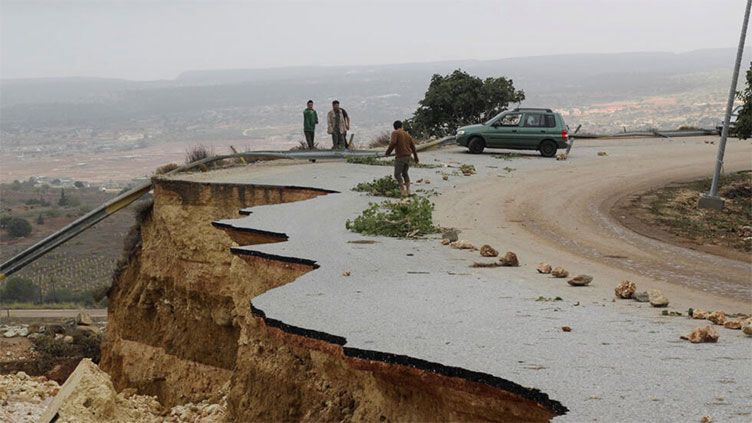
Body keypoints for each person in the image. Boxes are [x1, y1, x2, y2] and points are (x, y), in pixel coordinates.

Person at [384, 120, 419, 197]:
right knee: (405, 173)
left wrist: (388, 152)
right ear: (401, 126)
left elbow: (393, 142)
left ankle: (402, 191)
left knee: (397, 174)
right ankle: (408, 191)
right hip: (408, 156)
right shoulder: (407, 134)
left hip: (401, 156)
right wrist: (416, 157)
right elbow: (413, 147)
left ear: (394, 127)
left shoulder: (395, 133)